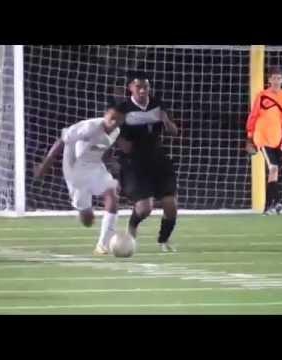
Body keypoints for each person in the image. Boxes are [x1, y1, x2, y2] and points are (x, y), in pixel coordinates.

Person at [34, 101, 126, 255]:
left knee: (112, 194)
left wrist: (111, 163)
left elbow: (102, 148)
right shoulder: (89, 127)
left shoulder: (116, 132)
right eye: (112, 118)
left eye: (118, 120)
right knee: (87, 220)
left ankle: (102, 245)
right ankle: (84, 209)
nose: (114, 122)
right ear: (105, 115)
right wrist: (44, 167)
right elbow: (62, 141)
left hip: (95, 167)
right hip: (75, 170)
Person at [117, 71, 179, 252]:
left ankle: (163, 241)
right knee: (145, 209)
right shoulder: (123, 109)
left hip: (158, 159)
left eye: (146, 87)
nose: (143, 91)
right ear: (130, 88)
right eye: (139, 87)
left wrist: (166, 121)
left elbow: (174, 132)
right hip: (135, 163)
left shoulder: (157, 104)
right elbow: (113, 133)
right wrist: (122, 145)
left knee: (171, 205)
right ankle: (132, 226)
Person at [246, 66, 282, 215]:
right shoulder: (262, 96)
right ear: (269, 80)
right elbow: (253, 116)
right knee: (273, 168)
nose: (276, 81)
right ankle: (278, 201)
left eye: (279, 78)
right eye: (273, 78)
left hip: (278, 139)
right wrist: (249, 137)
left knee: (274, 173)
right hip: (262, 138)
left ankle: (268, 207)